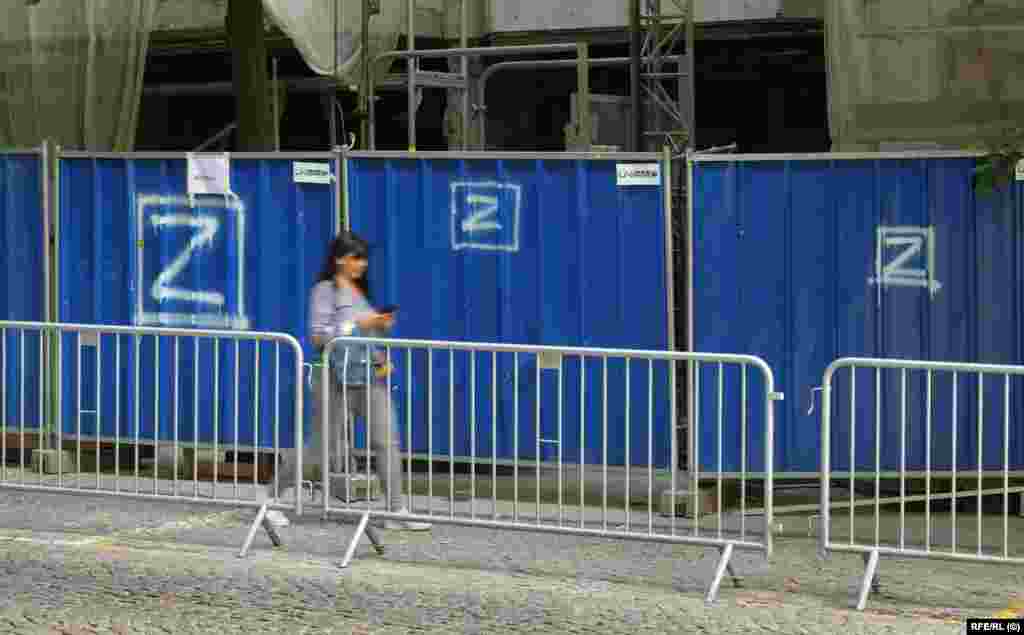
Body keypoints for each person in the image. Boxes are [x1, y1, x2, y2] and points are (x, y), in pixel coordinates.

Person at [263, 231, 430, 531]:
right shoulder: (324, 291)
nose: (362, 264)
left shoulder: (359, 293)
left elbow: (364, 337)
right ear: (339, 259)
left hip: (368, 377)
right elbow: (318, 336)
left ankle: (396, 510)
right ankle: (271, 499)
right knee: (321, 448)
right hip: (334, 378)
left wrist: (380, 350)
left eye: (364, 258)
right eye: (356, 257)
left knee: (387, 441)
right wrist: (358, 324)